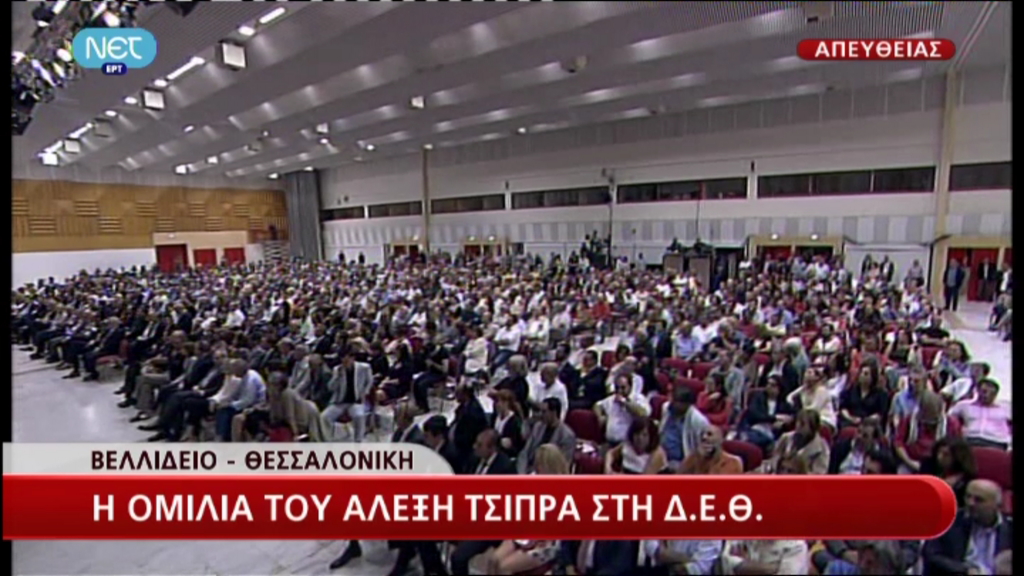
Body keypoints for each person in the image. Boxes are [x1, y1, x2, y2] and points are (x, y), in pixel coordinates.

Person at [486, 445, 568, 575]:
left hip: (545, 542)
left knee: (504, 567)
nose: (536, 467)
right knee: (493, 560)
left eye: (540, 464)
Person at [923, 479, 1013, 576]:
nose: (970, 503)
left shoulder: (1009, 528)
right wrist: (965, 570)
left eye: (979, 500)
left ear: (998, 506)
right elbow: (932, 555)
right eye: (968, 496)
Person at [320, 346, 372, 442]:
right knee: (324, 417)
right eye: (343, 359)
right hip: (340, 401)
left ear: (352, 358)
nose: (345, 361)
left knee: (359, 416)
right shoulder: (337, 369)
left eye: (347, 359)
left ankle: (358, 440)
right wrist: (337, 377)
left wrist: (364, 393)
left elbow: (369, 382)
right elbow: (331, 388)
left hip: (356, 401)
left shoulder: (364, 368)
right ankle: (327, 439)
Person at [948, 378, 1012, 450]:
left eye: (992, 393)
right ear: (977, 391)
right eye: (984, 391)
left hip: (997, 441)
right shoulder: (964, 405)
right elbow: (949, 417)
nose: (987, 395)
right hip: (971, 438)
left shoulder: (1005, 408)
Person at [518, 397, 575, 474]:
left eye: (544, 412)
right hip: (529, 470)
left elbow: (563, 465)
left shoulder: (566, 435)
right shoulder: (538, 427)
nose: (541, 415)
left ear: (554, 413)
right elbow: (525, 453)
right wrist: (522, 474)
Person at [658, 386, 709, 469]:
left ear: (687, 404)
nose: (672, 404)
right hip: (660, 454)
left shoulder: (698, 420)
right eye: (673, 400)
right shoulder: (666, 408)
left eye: (677, 402)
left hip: (679, 461)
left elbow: (701, 448)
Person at [921, 437, 977, 509]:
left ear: (957, 457)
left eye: (946, 454)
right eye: (938, 452)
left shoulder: (967, 477)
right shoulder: (928, 464)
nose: (939, 457)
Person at [595, 374, 651, 445]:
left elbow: (643, 414)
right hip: (609, 442)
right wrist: (600, 416)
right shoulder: (612, 398)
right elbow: (597, 405)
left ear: (630, 387)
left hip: (627, 444)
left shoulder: (638, 398)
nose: (619, 391)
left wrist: (624, 402)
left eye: (623, 388)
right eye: (617, 388)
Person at [771, 409, 830, 475]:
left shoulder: (822, 448)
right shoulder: (786, 438)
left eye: (802, 424)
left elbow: (819, 475)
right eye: (797, 422)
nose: (798, 426)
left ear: (812, 428)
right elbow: (774, 459)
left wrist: (802, 469)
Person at [678, 425, 743, 475]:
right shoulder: (693, 458)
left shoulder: (732, 462)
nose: (704, 437)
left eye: (709, 434)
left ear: (720, 440)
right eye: (702, 434)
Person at [490, 389, 525, 462]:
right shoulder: (494, 417)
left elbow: (516, 443)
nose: (498, 404)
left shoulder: (515, 421)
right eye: (496, 401)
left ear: (507, 403)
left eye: (500, 401)